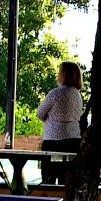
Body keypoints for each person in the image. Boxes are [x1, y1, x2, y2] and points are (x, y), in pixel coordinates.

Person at [37, 61, 85, 191]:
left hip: (53, 142)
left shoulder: (55, 93)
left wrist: (50, 118)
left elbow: (40, 113)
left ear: (63, 74)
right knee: (67, 180)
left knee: (48, 180)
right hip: (72, 141)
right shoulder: (78, 95)